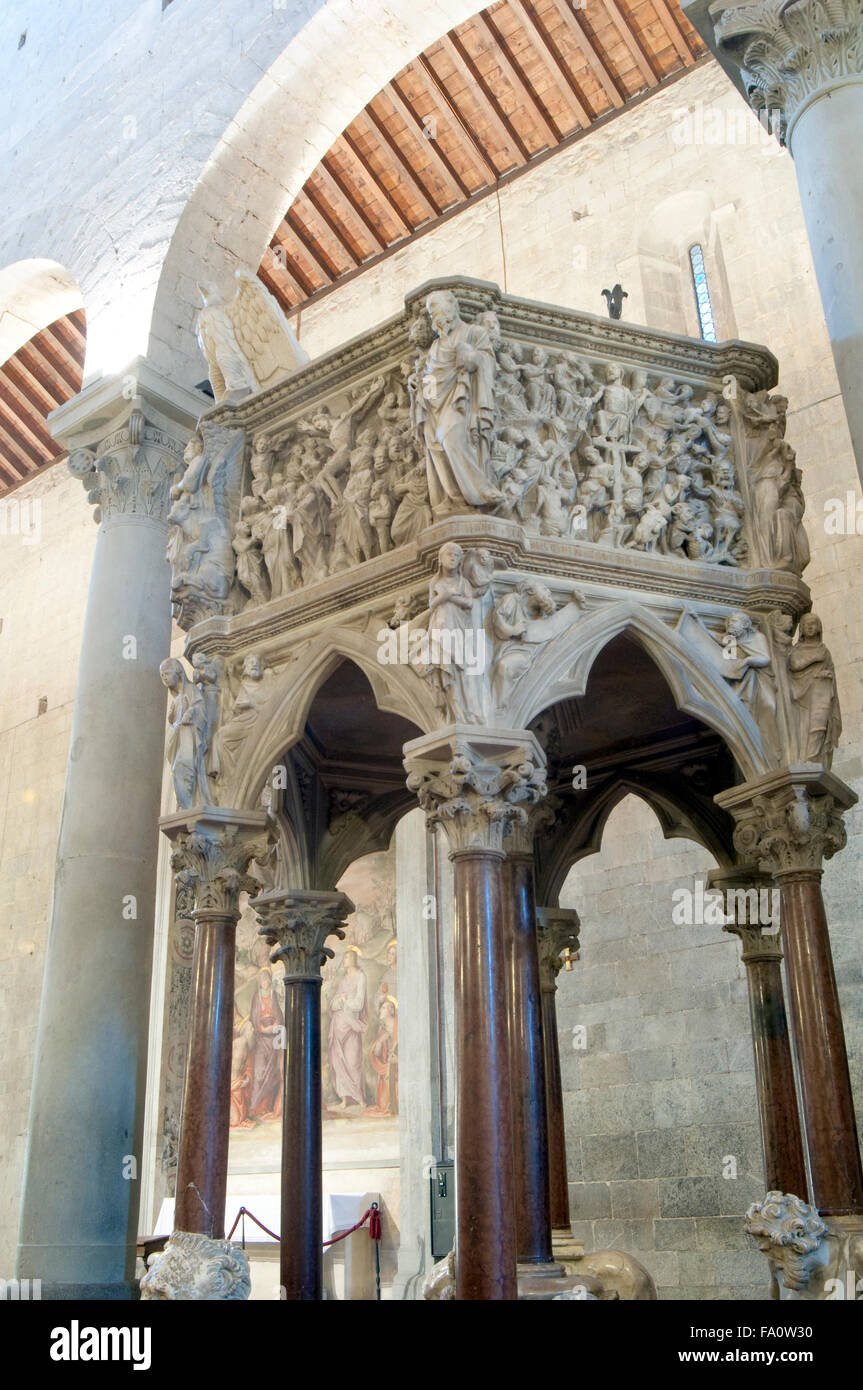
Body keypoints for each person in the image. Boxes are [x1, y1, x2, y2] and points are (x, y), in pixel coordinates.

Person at [411, 289, 502, 511]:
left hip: (461, 398)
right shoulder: (435, 346)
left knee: (451, 438)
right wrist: (417, 385)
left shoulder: (473, 332)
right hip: (435, 406)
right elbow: (431, 380)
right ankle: (454, 499)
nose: (435, 318)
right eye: (432, 315)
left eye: (438, 311)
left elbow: (488, 363)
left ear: (453, 307)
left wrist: (472, 357)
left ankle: (482, 492)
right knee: (435, 445)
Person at [328, 947, 368, 1111]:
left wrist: (345, 1001)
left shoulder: (361, 977)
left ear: (353, 959)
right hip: (338, 1025)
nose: (344, 961)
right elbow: (333, 1003)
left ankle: (359, 1098)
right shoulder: (344, 980)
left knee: (352, 1061)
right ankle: (344, 1099)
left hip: (351, 1024)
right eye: (344, 958)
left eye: (347, 958)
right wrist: (341, 1001)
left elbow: (359, 1003)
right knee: (339, 1060)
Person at [247, 969, 283, 1120]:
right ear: (260, 982)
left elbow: (279, 1015)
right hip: (261, 1038)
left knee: (271, 1071)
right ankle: (255, 1107)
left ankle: (266, 1107)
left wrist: (274, 1026)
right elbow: (254, 1017)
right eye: (263, 979)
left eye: (267, 978)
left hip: (274, 1037)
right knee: (260, 1071)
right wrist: (262, 1028)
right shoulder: (257, 997)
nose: (266, 981)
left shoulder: (274, 995)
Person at [367, 997, 398, 1118]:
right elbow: (377, 1054)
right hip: (387, 1071)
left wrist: (397, 1060)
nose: (380, 1010)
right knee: (383, 1104)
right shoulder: (383, 1031)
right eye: (381, 1007)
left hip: (398, 1072)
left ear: (392, 1011)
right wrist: (380, 1042)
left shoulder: (399, 1027)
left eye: (384, 1007)